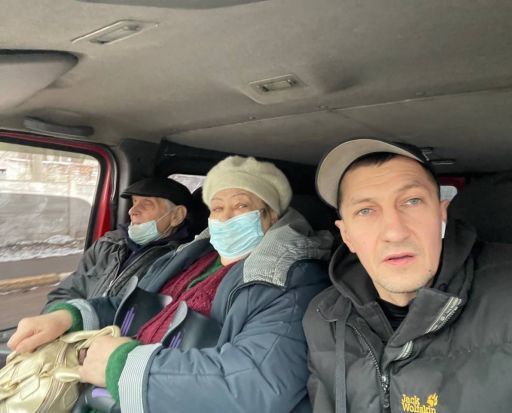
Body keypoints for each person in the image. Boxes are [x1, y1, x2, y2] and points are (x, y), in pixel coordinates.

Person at [9, 156, 333, 413]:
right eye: (217, 207)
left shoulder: (292, 279)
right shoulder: (192, 254)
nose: (225, 218)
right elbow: (135, 305)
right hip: (111, 394)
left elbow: (256, 383)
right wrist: (68, 316)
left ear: (272, 215)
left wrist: (124, 366)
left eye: (241, 206)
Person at [303, 138, 512, 412]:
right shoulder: (326, 318)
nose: (394, 232)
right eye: (365, 210)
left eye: (412, 201)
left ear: (442, 215)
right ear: (346, 234)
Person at [45, 177, 194, 305]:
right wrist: (57, 316)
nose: (132, 211)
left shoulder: (182, 261)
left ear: (176, 216)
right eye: (134, 202)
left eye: (147, 203)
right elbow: (69, 289)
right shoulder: (108, 244)